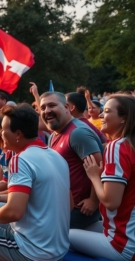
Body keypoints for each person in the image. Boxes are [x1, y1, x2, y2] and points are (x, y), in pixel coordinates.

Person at [0, 104, 71, 261]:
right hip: (57, 249)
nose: (0, 133)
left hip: (31, 251)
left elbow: (14, 212)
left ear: (18, 134)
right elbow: (69, 202)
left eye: (4, 129)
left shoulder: (20, 159)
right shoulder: (57, 157)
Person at [70, 94, 135, 260]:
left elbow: (111, 202)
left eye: (106, 111)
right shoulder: (128, 145)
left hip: (122, 244)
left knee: (61, 233)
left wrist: (93, 176)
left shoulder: (117, 147)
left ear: (123, 119)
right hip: (125, 235)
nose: (100, 115)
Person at [39, 91, 103, 229]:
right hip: (63, 206)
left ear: (67, 107)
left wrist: (93, 200)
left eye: (52, 105)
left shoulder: (77, 133)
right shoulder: (54, 135)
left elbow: (100, 166)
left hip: (80, 210)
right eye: (43, 108)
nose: (47, 111)